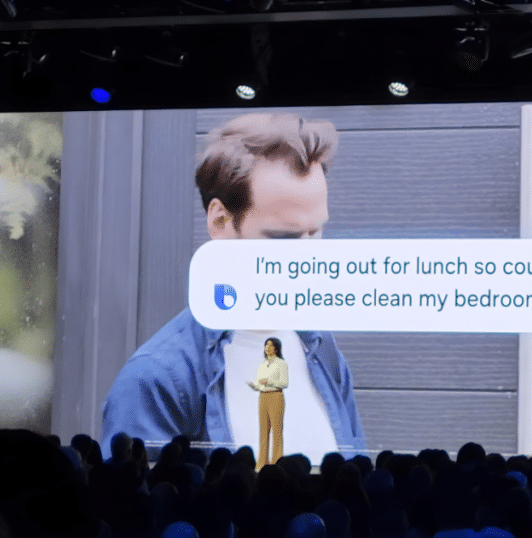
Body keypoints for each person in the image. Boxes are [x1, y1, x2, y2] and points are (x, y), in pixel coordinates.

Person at [102, 113, 366, 462]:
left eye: (315, 232)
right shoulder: (157, 380)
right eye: (284, 237)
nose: (308, 258)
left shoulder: (318, 344)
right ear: (221, 222)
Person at [249, 337, 289, 469]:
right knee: (263, 431)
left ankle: (277, 462)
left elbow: (284, 383)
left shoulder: (281, 363)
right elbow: (258, 382)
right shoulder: (262, 364)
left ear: (276, 348)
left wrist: (268, 382)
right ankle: (262, 462)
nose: (268, 348)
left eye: (271, 345)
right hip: (263, 397)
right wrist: (256, 386)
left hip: (276, 396)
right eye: (266, 345)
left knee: (276, 431)